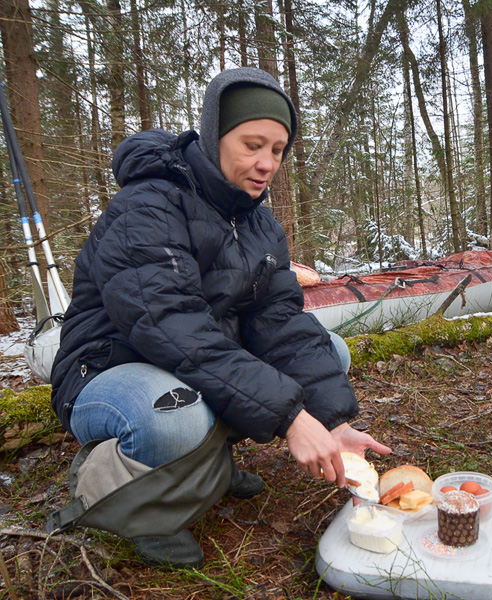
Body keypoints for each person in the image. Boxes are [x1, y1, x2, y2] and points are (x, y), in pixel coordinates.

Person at [49, 67, 389, 568]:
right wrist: (291, 418)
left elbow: (279, 322)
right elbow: (173, 329)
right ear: (214, 137)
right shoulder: (147, 206)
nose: (266, 163)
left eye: (278, 150)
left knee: (329, 353)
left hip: (183, 360)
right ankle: (141, 505)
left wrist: (331, 421)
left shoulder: (258, 222)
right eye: (252, 145)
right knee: (176, 414)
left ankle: (208, 467)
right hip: (107, 370)